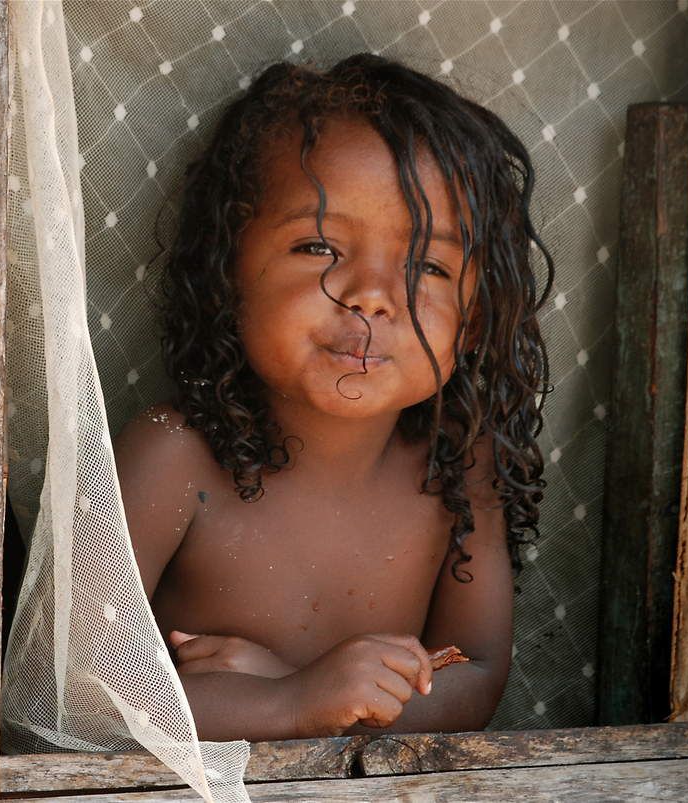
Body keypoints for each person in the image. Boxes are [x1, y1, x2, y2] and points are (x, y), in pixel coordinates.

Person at [112, 54, 553, 742]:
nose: (373, 293)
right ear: (228, 271)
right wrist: (295, 700)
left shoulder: (460, 467)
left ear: (473, 319)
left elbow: (476, 669)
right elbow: (81, 692)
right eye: (318, 244)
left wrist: (323, 695)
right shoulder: (175, 459)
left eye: (428, 266)